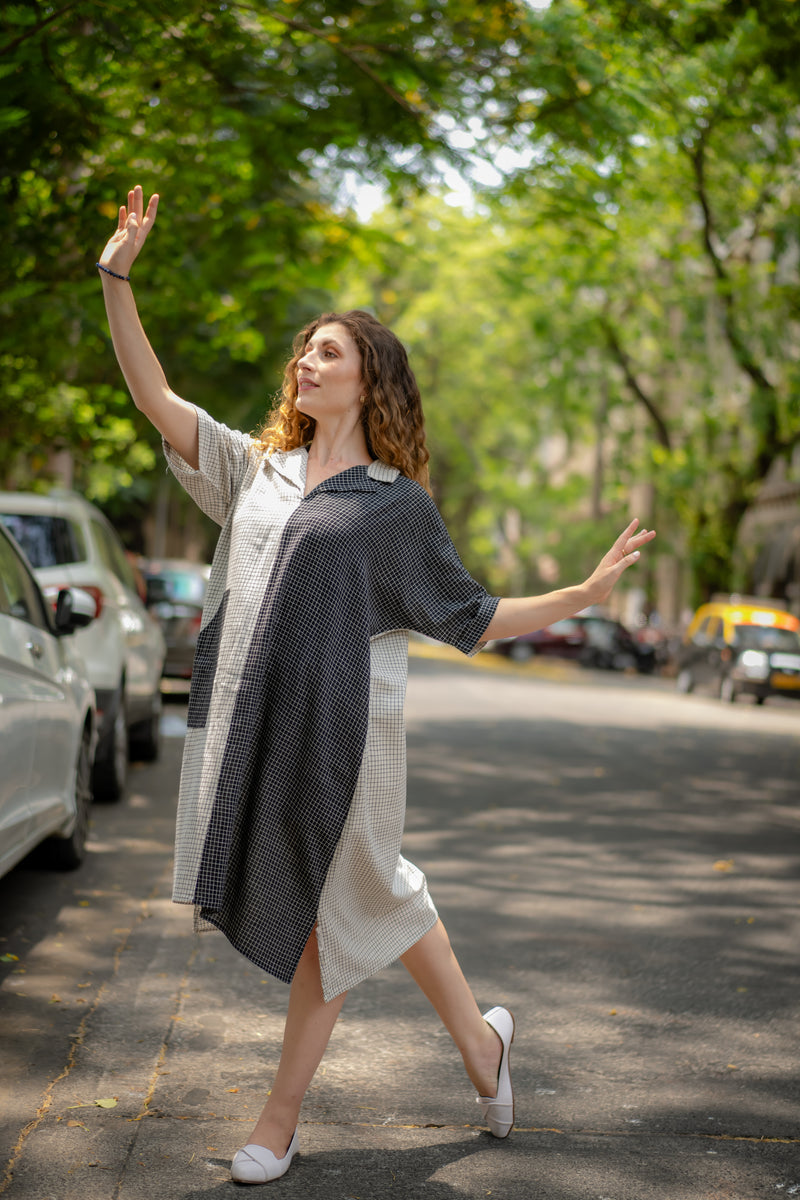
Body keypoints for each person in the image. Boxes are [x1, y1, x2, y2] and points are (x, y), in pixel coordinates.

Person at [97, 186, 656, 1185]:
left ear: (367, 383)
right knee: (376, 895)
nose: (305, 362)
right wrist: (116, 277)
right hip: (262, 726)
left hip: (354, 732)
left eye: (327, 353)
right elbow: (153, 396)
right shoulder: (253, 471)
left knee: (332, 912)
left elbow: (473, 617)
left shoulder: (395, 507)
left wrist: (579, 589)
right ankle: (484, 1050)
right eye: (303, 350)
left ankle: (278, 1119)